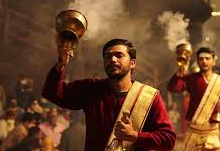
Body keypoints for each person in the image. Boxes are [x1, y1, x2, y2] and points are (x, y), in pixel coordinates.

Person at [42, 38, 176, 151]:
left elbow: (168, 140)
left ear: (132, 63)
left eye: (119, 55)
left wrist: (134, 136)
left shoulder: (149, 96)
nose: (112, 59)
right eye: (108, 56)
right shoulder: (91, 89)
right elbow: (53, 93)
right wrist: (61, 64)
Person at [168, 47, 220, 151]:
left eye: (207, 58)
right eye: (201, 59)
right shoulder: (191, 78)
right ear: (197, 61)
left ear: (214, 61)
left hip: (212, 133)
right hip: (194, 131)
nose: (204, 61)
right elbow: (173, 88)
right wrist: (180, 70)